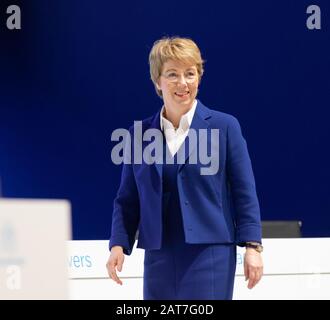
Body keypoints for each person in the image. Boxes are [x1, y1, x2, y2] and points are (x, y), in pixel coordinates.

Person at [106, 37, 263, 300]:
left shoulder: (224, 127)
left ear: (199, 78)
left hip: (210, 254)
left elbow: (244, 191)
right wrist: (118, 244)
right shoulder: (138, 135)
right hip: (159, 257)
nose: (183, 83)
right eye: (172, 74)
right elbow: (127, 199)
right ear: (158, 81)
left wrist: (252, 246)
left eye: (190, 74)